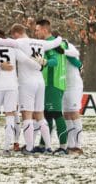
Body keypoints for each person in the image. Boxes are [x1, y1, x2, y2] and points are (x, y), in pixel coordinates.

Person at [0, 24, 62, 155]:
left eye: (13, 35)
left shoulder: (19, 43)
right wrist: (60, 38)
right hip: (40, 82)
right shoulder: (41, 43)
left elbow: (5, 43)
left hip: (27, 83)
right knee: (40, 115)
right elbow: (55, 42)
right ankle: (48, 147)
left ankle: (29, 147)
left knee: (27, 115)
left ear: (16, 33)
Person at [0, 29, 42, 155]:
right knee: (10, 115)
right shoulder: (13, 48)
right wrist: (39, 66)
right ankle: (6, 148)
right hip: (11, 86)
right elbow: (26, 60)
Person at [34, 19, 69, 155]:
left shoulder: (50, 44)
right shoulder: (58, 42)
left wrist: (45, 61)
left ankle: (63, 147)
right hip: (51, 83)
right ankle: (44, 145)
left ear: (44, 30)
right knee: (47, 115)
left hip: (53, 83)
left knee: (56, 114)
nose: (36, 32)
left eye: (37, 30)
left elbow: (53, 61)